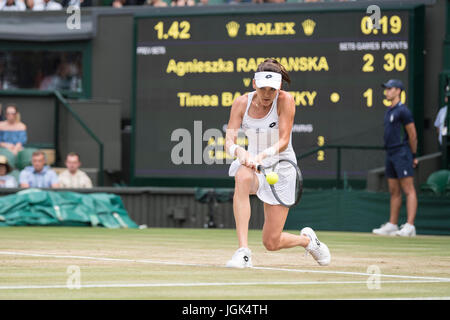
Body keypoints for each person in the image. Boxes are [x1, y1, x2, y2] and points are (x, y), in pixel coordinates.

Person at [224, 59, 331, 268]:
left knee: (271, 242)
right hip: (255, 167)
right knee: (242, 177)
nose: (267, 94)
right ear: (254, 84)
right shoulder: (240, 103)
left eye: (272, 90)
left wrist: (261, 156)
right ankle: (243, 251)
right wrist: (239, 151)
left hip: (282, 168)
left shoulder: (285, 100)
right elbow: (229, 140)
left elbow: (283, 140)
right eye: (263, 88)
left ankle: (307, 241)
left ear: (279, 87)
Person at [373, 79, 418, 237]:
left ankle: (410, 226)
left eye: (390, 89)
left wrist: (413, 155)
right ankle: (392, 224)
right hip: (390, 153)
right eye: (386, 89)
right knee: (394, 190)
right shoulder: (389, 110)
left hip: (402, 152)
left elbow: (412, 135)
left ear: (398, 91)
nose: (387, 91)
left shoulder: (403, 111)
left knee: (408, 189)